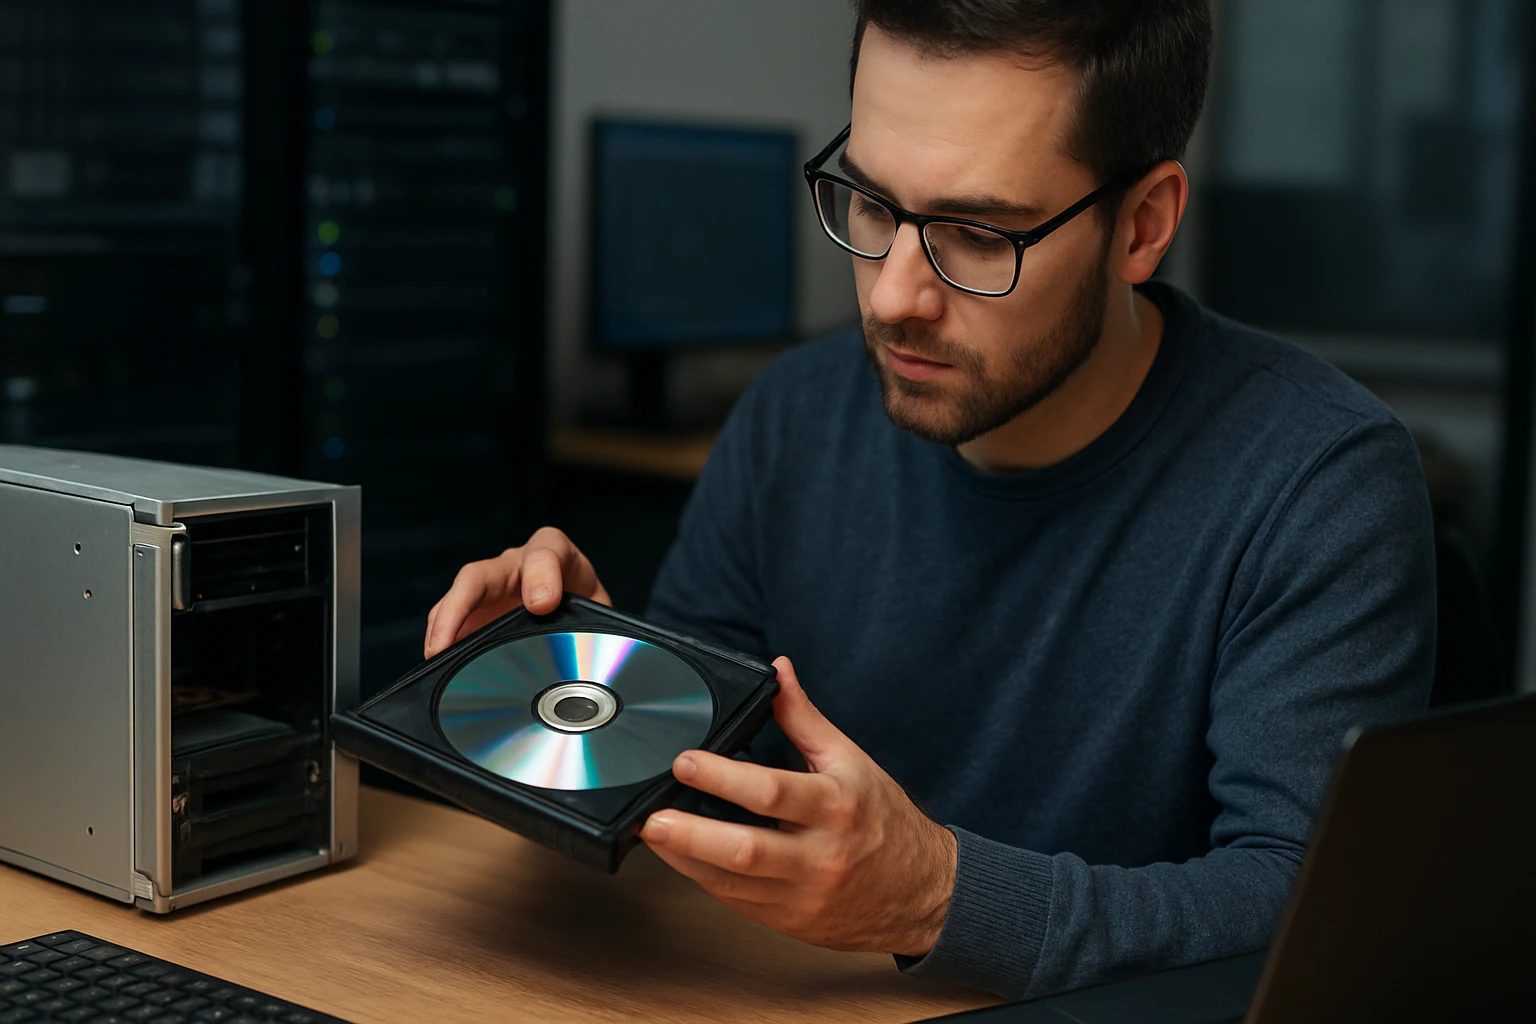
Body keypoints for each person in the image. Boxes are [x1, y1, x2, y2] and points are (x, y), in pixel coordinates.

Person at [424, 0, 1436, 1001]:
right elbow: (693, 763)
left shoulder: (1321, 481)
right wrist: (580, 685)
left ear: (1143, 226)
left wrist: (936, 897)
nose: (894, 295)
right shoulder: (792, 414)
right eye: (871, 203)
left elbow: (1297, 910)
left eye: (977, 233)